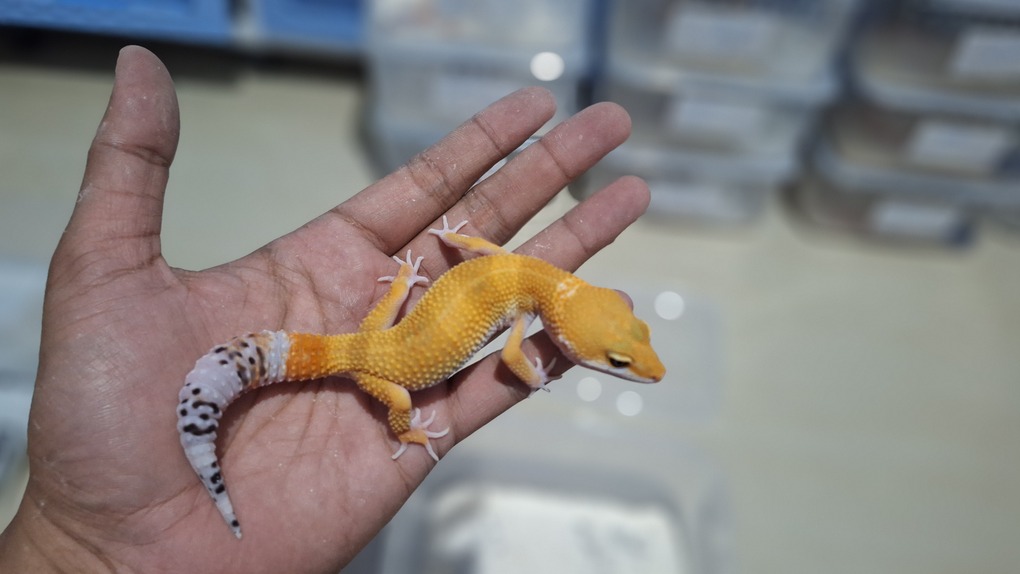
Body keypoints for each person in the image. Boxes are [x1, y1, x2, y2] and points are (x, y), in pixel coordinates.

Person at [0, 46, 649, 572]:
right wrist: (475, 399)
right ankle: (397, 428)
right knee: (403, 402)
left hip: (376, 337)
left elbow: (481, 250)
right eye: (618, 358)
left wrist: (412, 276)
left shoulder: (525, 273)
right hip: (377, 369)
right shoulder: (531, 297)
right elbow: (511, 357)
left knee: (387, 347)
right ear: (569, 328)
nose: (627, 364)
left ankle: (302, 376)